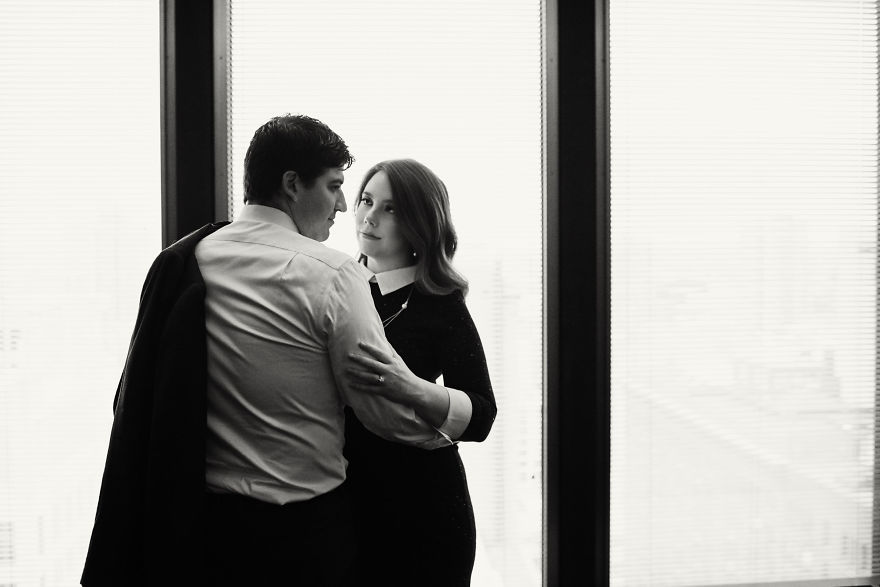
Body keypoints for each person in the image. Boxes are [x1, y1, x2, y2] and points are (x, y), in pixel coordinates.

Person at [82, 116, 461, 587]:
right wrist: (451, 423)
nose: (343, 205)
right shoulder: (334, 274)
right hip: (303, 539)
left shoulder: (188, 259)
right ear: (292, 184)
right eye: (334, 186)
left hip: (202, 535)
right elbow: (382, 414)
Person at [342, 159, 497, 586]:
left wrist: (408, 387)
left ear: (419, 223)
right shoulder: (337, 287)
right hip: (348, 504)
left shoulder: (439, 302)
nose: (370, 217)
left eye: (390, 208)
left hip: (425, 510)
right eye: (366, 200)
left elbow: (482, 416)